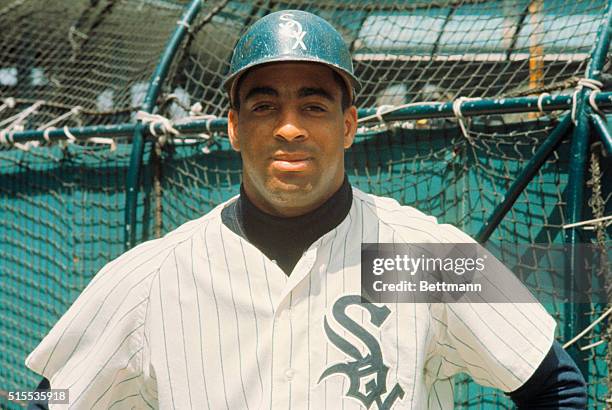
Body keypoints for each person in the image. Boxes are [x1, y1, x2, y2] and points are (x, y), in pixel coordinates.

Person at [26, 9, 586, 409]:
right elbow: (36, 398)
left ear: (348, 125)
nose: (289, 126)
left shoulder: (424, 255)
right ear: (233, 127)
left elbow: (555, 383)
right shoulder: (151, 276)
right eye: (264, 104)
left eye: (313, 105)